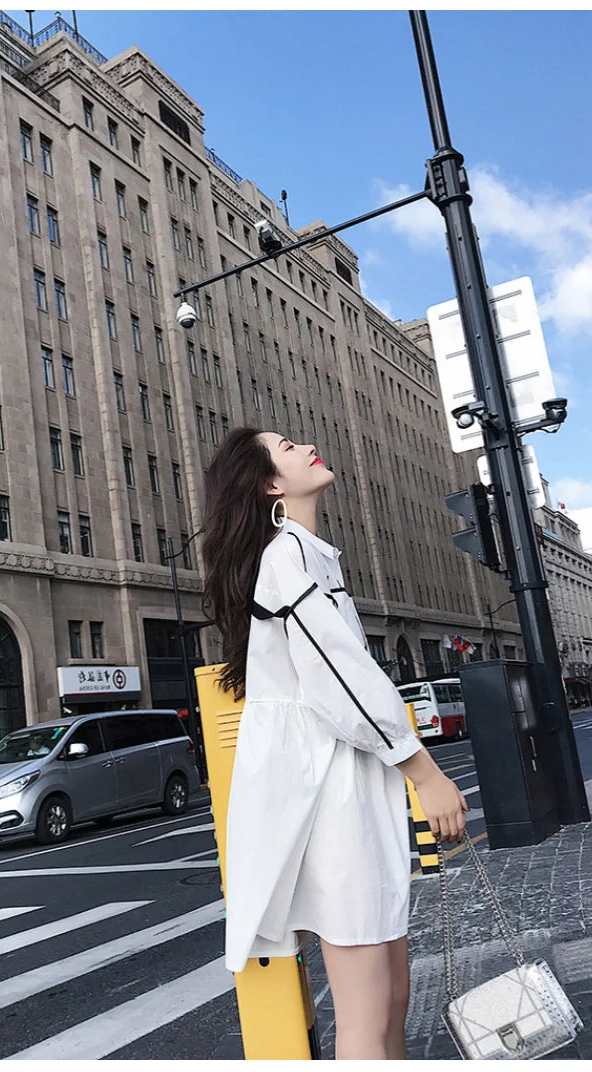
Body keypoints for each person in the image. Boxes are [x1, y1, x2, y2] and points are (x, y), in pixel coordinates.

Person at [201, 427, 468, 1060]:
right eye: (287, 447)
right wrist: (425, 775)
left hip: (344, 791)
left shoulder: (310, 555)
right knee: (367, 1012)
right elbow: (342, 681)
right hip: (329, 802)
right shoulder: (285, 558)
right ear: (270, 483)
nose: (305, 447)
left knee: (392, 994)